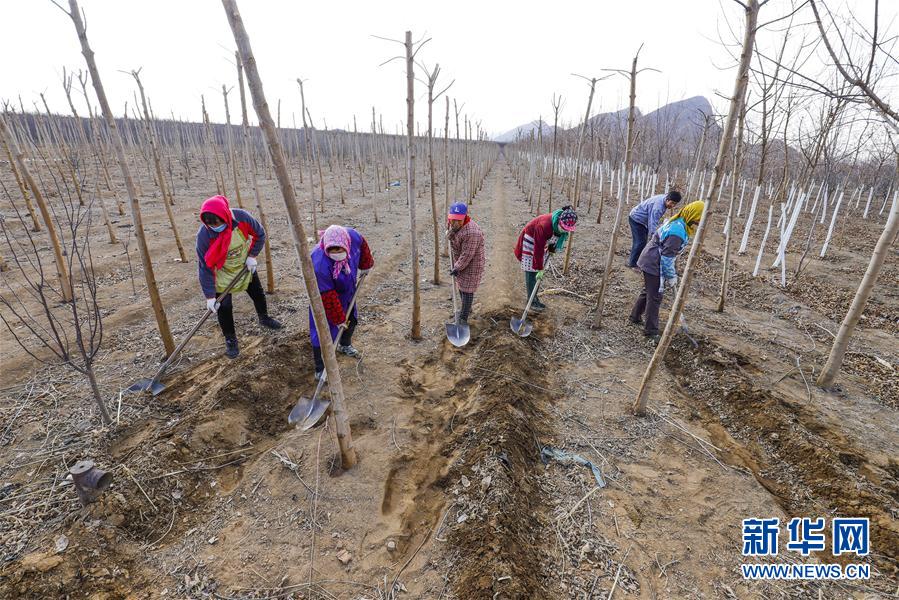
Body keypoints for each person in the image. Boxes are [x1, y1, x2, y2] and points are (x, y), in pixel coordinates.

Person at [197, 195, 282, 359]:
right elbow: (204, 267)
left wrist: (252, 255)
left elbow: (260, 234)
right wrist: (209, 296)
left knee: (257, 293)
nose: (215, 227)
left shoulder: (241, 217)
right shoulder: (204, 235)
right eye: (211, 225)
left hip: (244, 265)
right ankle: (231, 340)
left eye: (218, 223)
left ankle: (264, 318)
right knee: (224, 307)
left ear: (224, 215)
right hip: (222, 272)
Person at [630, 200, 705, 340]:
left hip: (650, 258)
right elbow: (666, 258)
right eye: (700, 217)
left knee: (648, 291)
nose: (701, 221)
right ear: (694, 214)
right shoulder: (677, 231)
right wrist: (671, 276)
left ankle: (634, 316)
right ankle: (650, 331)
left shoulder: (681, 222)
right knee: (655, 296)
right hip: (653, 262)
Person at [310, 224, 374, 380]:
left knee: (351, 319)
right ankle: (321, 368)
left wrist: (366, 264)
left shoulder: (352, 236)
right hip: (325, 299)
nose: (336, 253)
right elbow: (327, 296)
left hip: (347, 291)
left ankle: (344, 345)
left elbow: (363, 245)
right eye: (332, 250)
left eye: (340, 250)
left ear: (346, 244)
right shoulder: (319, 264)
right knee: (323, 334)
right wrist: (338, 318)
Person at [513, 205, 577, 312]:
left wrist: (552, 249)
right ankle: (531, 301)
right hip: (531, 239)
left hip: (543, 241)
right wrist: (540, 268)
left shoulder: (560, 225)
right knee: (531, 271)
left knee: (537, 273)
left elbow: (555, 239)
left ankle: (535, 299)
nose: (565, 231)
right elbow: (538, 248)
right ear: (560, 221)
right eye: (564, 228)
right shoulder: (544, 226)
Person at [447, 202, 486, 324]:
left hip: (472, 263)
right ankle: (466, 309)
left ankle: (463, 319)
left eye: (458, 220)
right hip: (461, 262)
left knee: (468, 290)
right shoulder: (453, 224)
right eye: (453, 220)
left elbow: (467, 255)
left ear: (465, 217)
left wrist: (457, 267)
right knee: (461, 286)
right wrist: (450, 233)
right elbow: (452, 231)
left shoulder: (472, 232)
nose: (455, 223)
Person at [627, 189, 682, 268]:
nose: (673, 206)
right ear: (667, 199)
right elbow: (652, 222)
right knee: (640, 242)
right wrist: (654, 236)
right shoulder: (658, 207)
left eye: (675, 204)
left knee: (642, 241)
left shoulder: (664, 199)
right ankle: (632, 264)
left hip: (642, 220)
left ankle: (636, 258)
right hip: (636, 219)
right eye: (672, 203)